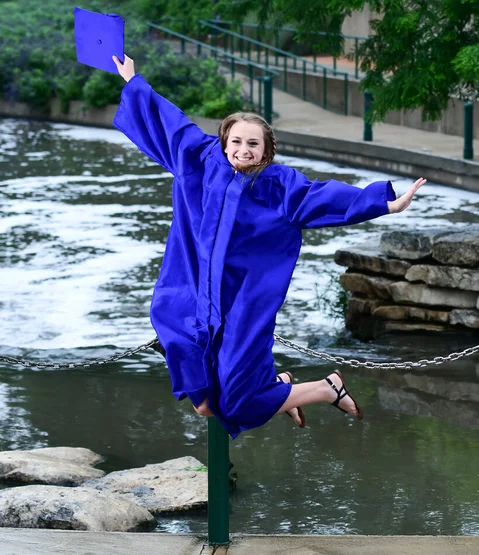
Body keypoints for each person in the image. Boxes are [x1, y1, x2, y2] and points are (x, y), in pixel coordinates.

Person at [112, 54, 427, 438]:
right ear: (224, 141)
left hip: (240, 305)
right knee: (205, 403)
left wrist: (385, 202)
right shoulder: (198, 160)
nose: (244, 149)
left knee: (235, 403)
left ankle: (324, 388)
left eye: (254, 144)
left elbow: (323, 197)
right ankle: (282, 387)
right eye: (237, 141)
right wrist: (132, 80)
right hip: (189, 295)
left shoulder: (278, 186)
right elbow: (168, 124)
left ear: (266, 150)